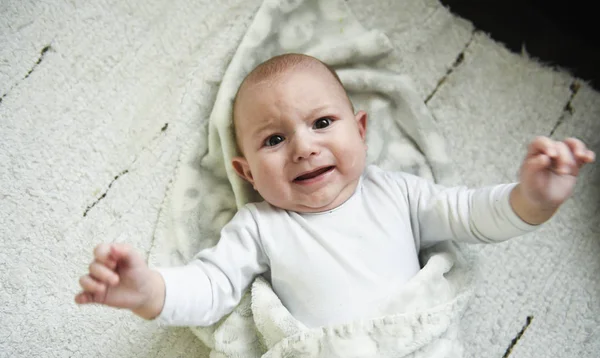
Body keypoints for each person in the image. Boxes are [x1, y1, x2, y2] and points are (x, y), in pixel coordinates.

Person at [75, 54, 595, 328]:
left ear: (361, 130)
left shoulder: (398, 194)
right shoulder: (260, 226)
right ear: (248, 172)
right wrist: (151, 292)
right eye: (274, 139)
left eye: (322, 122)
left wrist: (535, 198)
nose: (304, 147)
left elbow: (473, 216)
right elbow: (211, 287)